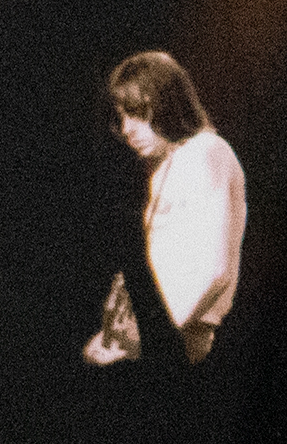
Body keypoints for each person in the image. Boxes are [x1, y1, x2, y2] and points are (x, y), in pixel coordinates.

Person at [83, 50, 247, 368]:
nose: (127, 129)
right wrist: (112, 335)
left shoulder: (207, 152)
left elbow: (213, 271)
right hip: (159, 341)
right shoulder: (168, 165)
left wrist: (144, 338)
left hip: (182, 347)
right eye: (122, 117)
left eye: (137, 114)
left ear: (168, 104)